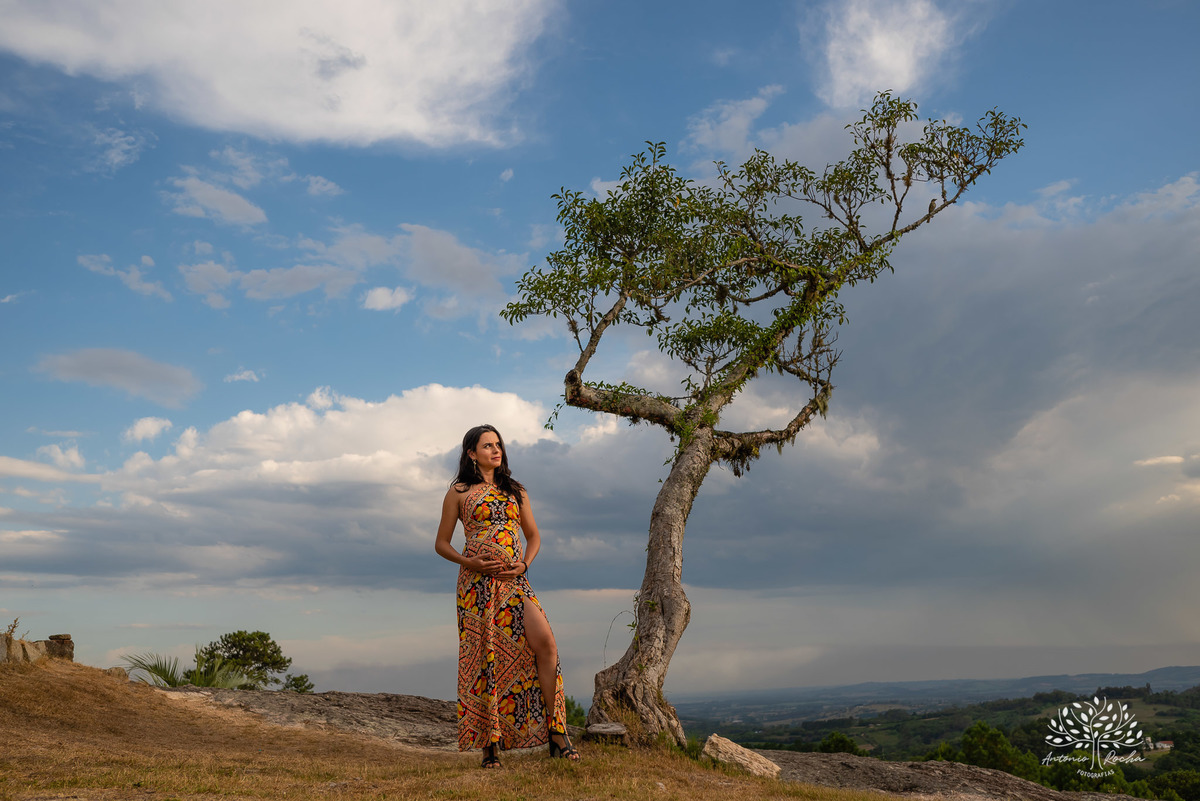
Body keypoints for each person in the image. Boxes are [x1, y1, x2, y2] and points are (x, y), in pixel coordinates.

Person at [434, 424, 580, 768]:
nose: (495, 451)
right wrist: (468, 560)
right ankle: (489, 747)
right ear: (472, 453)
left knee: (546, 644)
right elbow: (441, 543)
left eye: (498, 444)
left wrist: (524, 565)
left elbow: (533, 536)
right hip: (476, 586)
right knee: (486, 660)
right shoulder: (458, 492)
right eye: (487, 446)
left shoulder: (515, 490)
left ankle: (557, 734)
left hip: (514, 582)